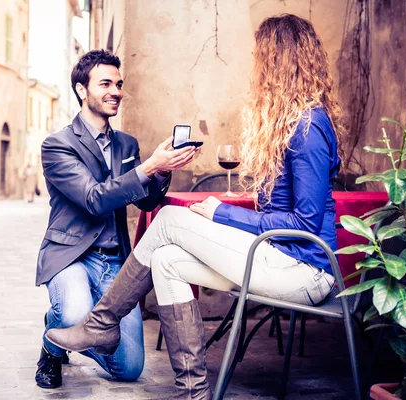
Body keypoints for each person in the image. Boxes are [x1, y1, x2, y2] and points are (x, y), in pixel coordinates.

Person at [45, 14, 344, 399]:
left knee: (169, 218)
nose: (254, 66)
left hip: (305, 270)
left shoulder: (308, 126)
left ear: (278, 61)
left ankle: (102, 322)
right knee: (167, 259)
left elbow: (304, 221)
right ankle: (193, 392)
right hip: (276, 255)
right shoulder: (290, 125)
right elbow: (94, 198)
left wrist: (222, 213)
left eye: (259, 57)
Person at [34, 49, 198, 389]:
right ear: (82, 90)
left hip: (115, 262)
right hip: (71, 256)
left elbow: (147, 199)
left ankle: (72, 329)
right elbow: (94, 199)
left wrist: (162, 170)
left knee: (129, 368)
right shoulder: (57, 145)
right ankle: (54, 342)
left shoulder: (127, 144)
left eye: (119, 84)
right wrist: (149, 166)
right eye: (105, 83)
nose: (116, 91)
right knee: (75, 315)